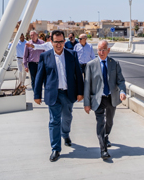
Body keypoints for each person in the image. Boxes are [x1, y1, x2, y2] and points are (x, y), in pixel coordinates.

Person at [34, 30, 84, 162]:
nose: (58, 44)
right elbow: (39, 77)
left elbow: (78, 75)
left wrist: (80, 92)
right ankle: (55, 148)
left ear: (64, 41)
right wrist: (37, 94)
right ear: (51, 42)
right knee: (54, 121)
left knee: (67, 117)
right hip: (53, 94)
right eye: (56, 42)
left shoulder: (72, 54)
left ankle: (65, 134)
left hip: (68, 93)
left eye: (61, 41)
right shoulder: (45, 56)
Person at [83, 40, 126, 160]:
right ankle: (103, 150)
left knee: (110, 122)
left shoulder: (115, 63)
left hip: (111, 98)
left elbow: (120, 80)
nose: (101, 52)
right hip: (98, 99)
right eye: (99, 50)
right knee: (100, 123)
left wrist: (122, 91)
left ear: (108, 50)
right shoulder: (91, 65)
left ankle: (106, 136)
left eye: (103, 50)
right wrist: (86, 103)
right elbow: (87, 85)